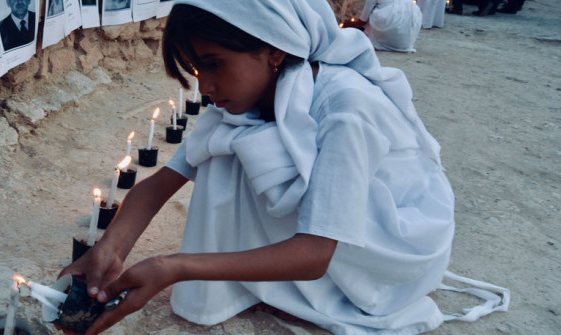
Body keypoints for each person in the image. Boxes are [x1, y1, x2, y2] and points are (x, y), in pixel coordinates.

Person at [58, 1, 508, 334]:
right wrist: (110, 249)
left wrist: (174, 267)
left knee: (240, 149)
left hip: (390, 241)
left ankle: (329, 295)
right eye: (197, 70)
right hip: (334, 234)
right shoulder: (244, 99)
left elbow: (314, 253)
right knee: (226, 148)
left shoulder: (346, 107)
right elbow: (159, 185)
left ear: (273, 51)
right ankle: (259, 284)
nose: (207, 87)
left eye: (214, 65)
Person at [357, 0, 423, 52]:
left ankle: (383, 41)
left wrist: (350, 25)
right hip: (406, 39)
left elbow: (364, 18)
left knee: (373, 14)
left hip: (388, 23)